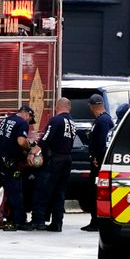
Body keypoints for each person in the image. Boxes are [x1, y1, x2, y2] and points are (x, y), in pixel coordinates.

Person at [29, 98, 76, 232]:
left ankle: (38, 221)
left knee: (42, 189)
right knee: (59, 192)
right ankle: (57, 223)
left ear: (57, 107)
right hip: (67, 159)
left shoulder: (56, 120)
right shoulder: (72, 122)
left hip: (54, 159)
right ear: (69, 107)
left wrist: (33, 152)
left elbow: (45, 138)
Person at [83, 94, 114, 232]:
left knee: (94, 192)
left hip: (98, 163)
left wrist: (96, 157)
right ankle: (94, 220)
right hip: (101, 161)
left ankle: (95, 221)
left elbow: (102, 142)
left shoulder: (101, 121)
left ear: (91, 106)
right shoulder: (106, 119)